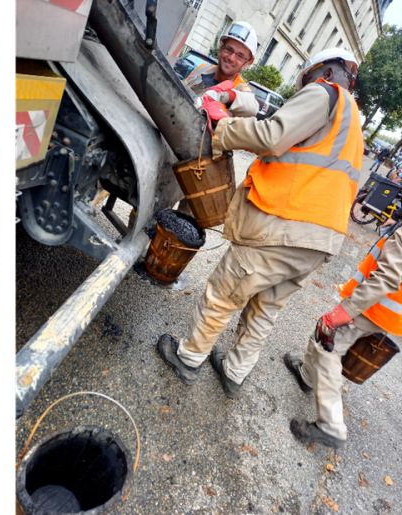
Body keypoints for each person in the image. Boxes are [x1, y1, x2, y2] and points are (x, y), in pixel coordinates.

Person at [156, 49, 363, 399]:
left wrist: (221, 126)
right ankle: (234, 371)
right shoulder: (351, 120)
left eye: (307, 79)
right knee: (266, 307)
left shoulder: (324, 92)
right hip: (318, 238)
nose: (306, 87)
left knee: (224, 294)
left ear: (325, 70)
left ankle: (188, 358)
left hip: (284, 224)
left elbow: (271, 137)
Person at [283, 215, 402, 448]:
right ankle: (307, 376)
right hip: (388, 312)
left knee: (327, 345)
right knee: (324, 342)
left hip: (374, 307)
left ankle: (330, 425)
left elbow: (387, 278)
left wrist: (344, 311)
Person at [183, 21, 260, 118]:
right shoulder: (204, 68)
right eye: (229, 50)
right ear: (221, 50)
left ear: (245, 64)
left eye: (240, 56)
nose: (231, 58)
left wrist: (226, 96)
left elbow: (253, 107)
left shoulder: (241, 89)